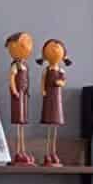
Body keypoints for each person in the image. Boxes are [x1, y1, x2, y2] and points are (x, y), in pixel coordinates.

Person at [37, 39, 72, 167]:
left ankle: (53, 152)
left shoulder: (61, 70)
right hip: (49, 97)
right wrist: (43, 91)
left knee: (55, 123)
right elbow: (42, 81)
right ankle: (47, 153)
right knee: (49, 123)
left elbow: (63, 81)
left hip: (57, 97)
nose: (55, 49)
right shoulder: (47, 70)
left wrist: (60, 83)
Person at [5, 32, 34, 165]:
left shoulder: (25, 65)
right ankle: (18, 152)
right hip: (17, 95)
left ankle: (23, 151)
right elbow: (11, 79)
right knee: (18, 121)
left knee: (23, 121)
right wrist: (15, 91)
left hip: (24, 94)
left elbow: (27, 79)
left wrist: (27, 90)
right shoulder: (15, 66)